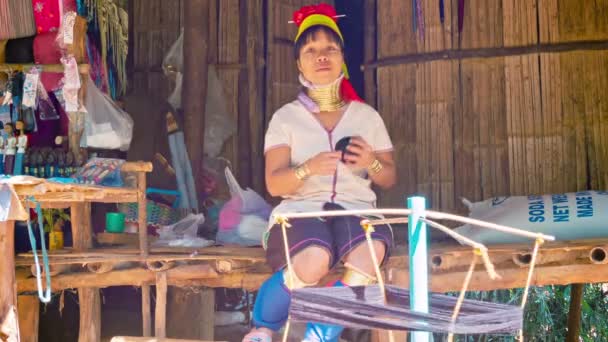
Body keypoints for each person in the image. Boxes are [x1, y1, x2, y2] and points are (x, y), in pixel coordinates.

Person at [243, 3, 396, 342]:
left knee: (368, 256)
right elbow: (273, 183)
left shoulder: (366, 117)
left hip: (357, 210)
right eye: (311, 50)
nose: (321, 56)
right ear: (299, 62)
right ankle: (262, 327)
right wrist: (307, 169)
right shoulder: (286, 118)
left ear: (342, 57)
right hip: (300, 211)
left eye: (330, 48)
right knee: (314, 260)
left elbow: (388, 177)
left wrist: (370, 162)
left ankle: (319, 335)